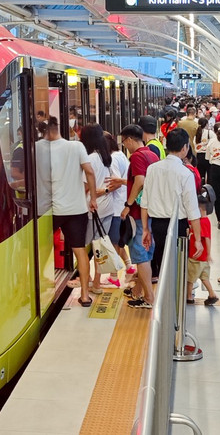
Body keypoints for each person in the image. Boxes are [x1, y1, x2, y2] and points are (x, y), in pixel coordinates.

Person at [140, 128, 204, 288]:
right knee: (178, 264)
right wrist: (197, 239)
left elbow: (145, 203)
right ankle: (175, 301)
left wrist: (146, 229)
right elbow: (192, 210)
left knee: (162, 263)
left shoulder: (152, 169)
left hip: (157, 225)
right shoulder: (185, 173)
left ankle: (165, 297)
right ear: (184, 148)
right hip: (178, 226)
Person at [46, 117, 98, 307]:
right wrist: (92, 198)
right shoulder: (76, 147)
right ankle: (84, 296)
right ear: (58, 128)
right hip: (77, 209)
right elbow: (90, 172)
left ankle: (42, 288)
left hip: (52, 210)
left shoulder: (40, 148)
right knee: (80, 252)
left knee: (40, 248)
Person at [119, 124, 160, 308]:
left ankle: (149, 297)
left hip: (138, 213)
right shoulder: (152, 154)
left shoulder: (136, 156)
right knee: (147, 251)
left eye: (124, 142)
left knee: (140, 253)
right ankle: (139, 290)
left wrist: (128, 205)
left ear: (129, 139)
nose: (124, 146)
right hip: (151, 211)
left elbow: (140, 181)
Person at [80, 123, 116, 295]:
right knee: (99, 246)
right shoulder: (104, 156)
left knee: (90, 247)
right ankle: (96, 283)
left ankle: (89, 283)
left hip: (93, 209)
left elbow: (85, 186)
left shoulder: (90, 159)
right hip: (107, 206)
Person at [104, 131, 134, 287]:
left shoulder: (113, 159)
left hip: (115, 207)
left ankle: (114, 276)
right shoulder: (121, 155)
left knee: (113, 242)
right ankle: (128, 267)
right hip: (121, 204)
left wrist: (101, 190)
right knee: (117, 241)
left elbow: (114, 182)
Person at [187, 184, 218, 306]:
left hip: (196, 255)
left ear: (199, 209)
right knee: (204, 276)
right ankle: (212, 294)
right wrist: (208, 254)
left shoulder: (201, 222)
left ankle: (189, 296)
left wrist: (209, 253)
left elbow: (207, 239)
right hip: (203, 257)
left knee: (190, 277)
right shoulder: (206, 221)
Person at [194, 117, 212, 185]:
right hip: (207, 156)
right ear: (207, 124)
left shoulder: (197, 132)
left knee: (201, 175)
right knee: (209, 175)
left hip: (199, 156)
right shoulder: (209, 132)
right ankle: (208, 191)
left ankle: (200, 189)